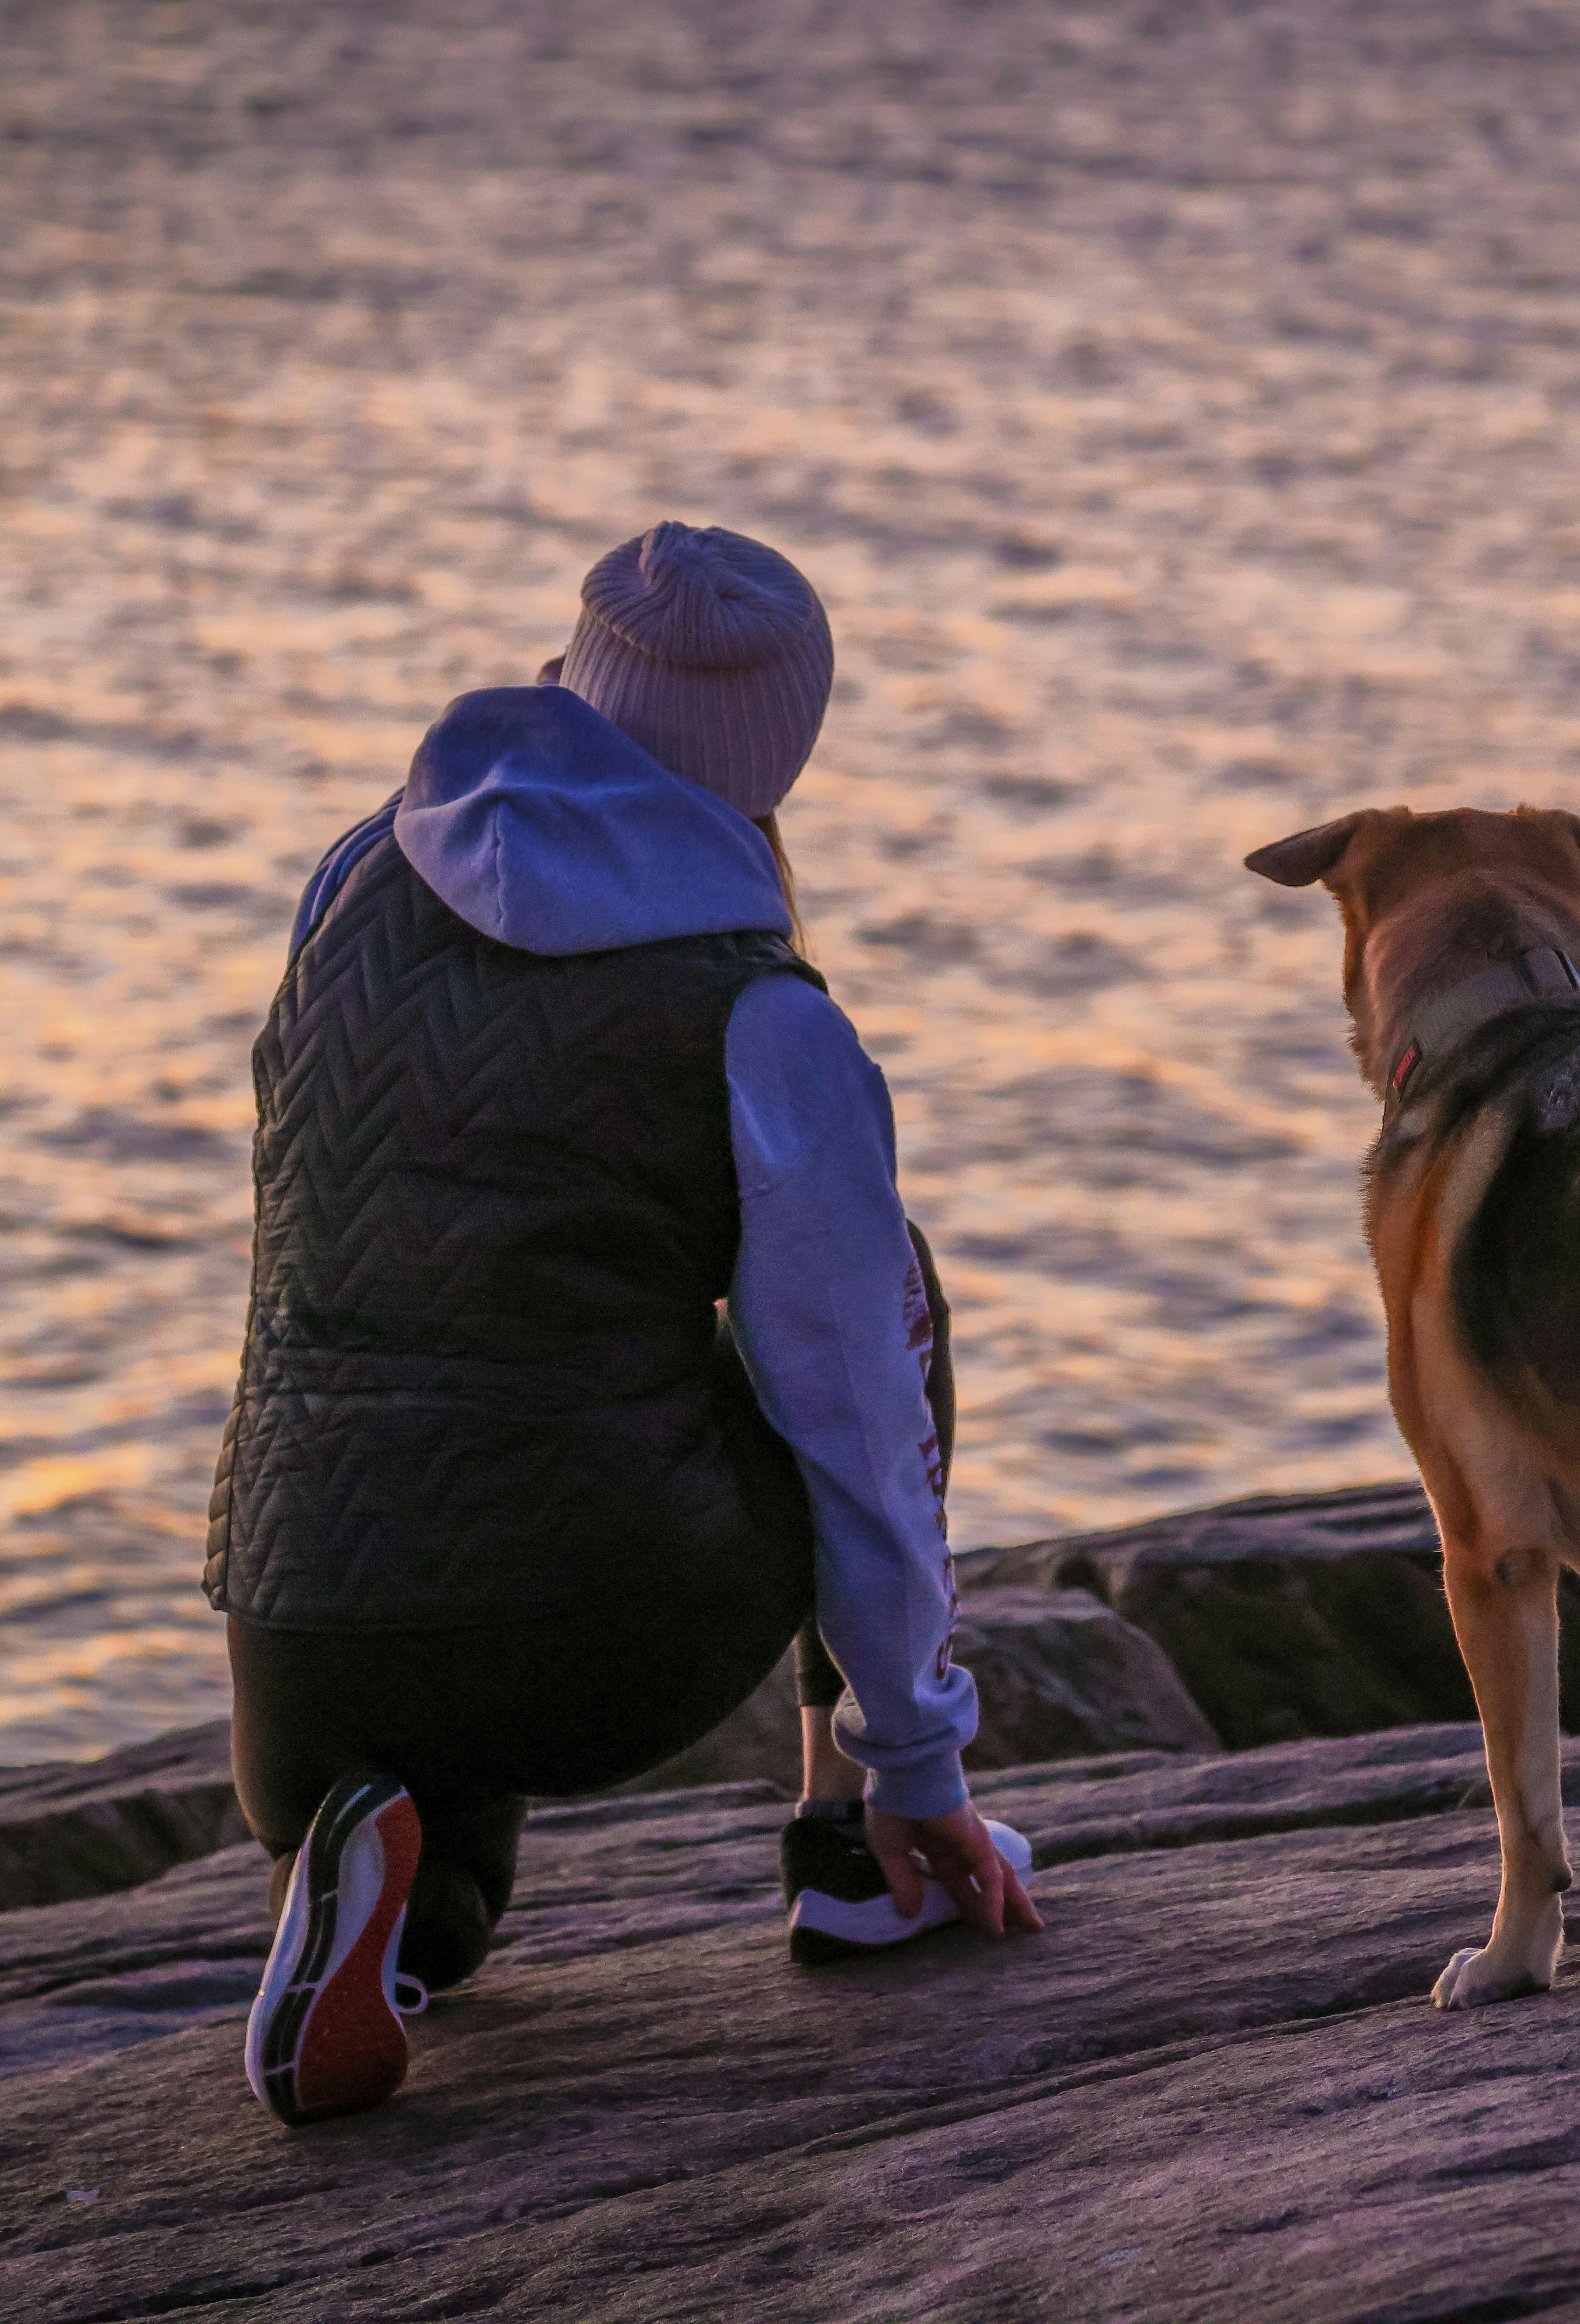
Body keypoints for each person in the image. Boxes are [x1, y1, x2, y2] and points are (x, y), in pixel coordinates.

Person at [204, 522, 1043, 2128]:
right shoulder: (760, 1013)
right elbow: (856, 1410)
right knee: (885, 1296)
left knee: (443, 1917)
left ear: (577, 684)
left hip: (300, 1610)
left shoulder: (352, 876)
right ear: (780, 753)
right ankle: (856, 1856)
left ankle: (360, 1880)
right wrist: (921, 1759)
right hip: (586, 1627)